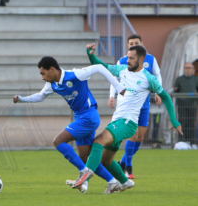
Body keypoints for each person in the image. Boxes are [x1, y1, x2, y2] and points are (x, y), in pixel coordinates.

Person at [72, 45, 182, 192]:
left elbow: (166, 98)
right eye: (127, 57)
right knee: (106, 160)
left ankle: (85, 177)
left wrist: (174, 121)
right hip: (117, 120)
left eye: (131, 58)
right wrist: (91, 56)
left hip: (128, 123)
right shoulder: (122, 69)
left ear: (141, 59)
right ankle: (125, 182)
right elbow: (102, 67)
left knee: (98, 141)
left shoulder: (149, 79)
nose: (128, 60)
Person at [13, 56, 127, 194]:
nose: (42, 77)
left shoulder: (76, 75)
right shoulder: (52, 84)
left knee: (58, 141)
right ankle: (112, 182)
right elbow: (41, 96)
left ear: (52, 69)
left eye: (43, 73)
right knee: (85, 156)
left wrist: (119, 87)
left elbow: (99, 67)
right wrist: (21, 99)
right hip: (80, 118)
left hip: (89, 116)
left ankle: (84, 172)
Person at [108, 34, 162, 179]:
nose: (133, 44)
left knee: (140, 138)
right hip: (129, 103)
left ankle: (123, 162)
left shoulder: (150, 59)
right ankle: (128, 167)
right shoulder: (123, 61)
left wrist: (158, 92)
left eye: (136, 42)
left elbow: (157, 75)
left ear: (141, 43)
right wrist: (111, 95)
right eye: (131, 43)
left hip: (144, 103)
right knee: (133, 135)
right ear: (128, 45)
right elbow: (114, 79)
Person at [174, 62, 198, 143]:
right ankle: (182, 141)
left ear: (192, 69)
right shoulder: (179, 79)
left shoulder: (196, 79)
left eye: (189, 68)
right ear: (184, 69)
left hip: (192, 104)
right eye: (186, 68)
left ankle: (192, 142)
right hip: (182, 105)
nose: (188, 69)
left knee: (192, 123)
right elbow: (175, 91)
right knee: (182, 123)